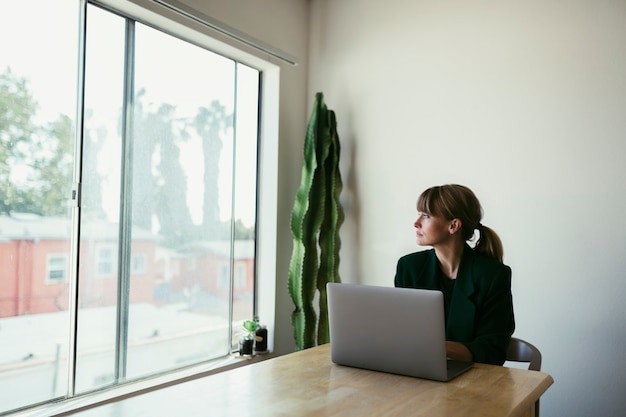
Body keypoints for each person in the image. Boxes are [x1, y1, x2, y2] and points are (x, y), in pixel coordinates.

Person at [394, 184, 515, 365]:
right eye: (418, 214)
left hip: (473, 379)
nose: (416, 222)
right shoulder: (409, 267)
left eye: (425, 216)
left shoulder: (492, 275)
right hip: (417, 371)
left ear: (453, 225)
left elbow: (492, 350)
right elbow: (400, 331)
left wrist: (438, 348)